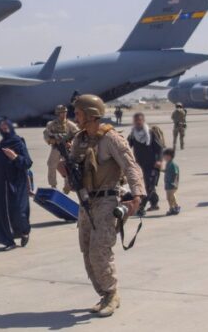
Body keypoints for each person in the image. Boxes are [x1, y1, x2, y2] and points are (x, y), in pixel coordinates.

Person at [66, 94, 145, 318]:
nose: (76, 117)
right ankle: (104, 294)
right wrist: (67, 174)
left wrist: (137, 196)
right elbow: (75, 174)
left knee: (99, 250)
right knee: (87, 250)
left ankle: (112, 294)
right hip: (86, 201)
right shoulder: (80, 140)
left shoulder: (111, 139)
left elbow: (131, 166)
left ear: (91, 115)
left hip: (108, 200)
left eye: (79, 113)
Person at [0, 119, 33, 251]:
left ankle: (24, 232)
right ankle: (9, 241)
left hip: (17, 184)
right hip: (0, 185)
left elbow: (28, 162)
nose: (4, 128)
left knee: (18, 212)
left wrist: (15, 157)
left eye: (6, 125)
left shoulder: (18, 142)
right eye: (1, 126)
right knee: (2, 214)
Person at [127, 112, 165, 215]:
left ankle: (141, 207)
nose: (138, 122)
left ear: (143, 121)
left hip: (152, 165)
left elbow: (160, 148)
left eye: (139, 120)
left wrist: (159, 160)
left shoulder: (151, 133)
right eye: (136, 121)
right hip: (139, 166)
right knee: (145, 186)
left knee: (148, 186)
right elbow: (126, 147)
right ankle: (154, 203)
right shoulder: (132, 135)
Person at [42, 105, 79, 190]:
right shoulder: (52, 124)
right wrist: (51, 141)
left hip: (66, 148)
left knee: (68, 165)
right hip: (56, 147)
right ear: (57, 114)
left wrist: (71, 142)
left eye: (65, 112)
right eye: (61, 113)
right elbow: (46, 134)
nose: (64, 114)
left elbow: (77, 133)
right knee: (51, 164)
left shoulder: (70, 124)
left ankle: (68, 183)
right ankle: (53, 185)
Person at [163, 148, 180, 216]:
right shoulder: (168, 164)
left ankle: (176, 206)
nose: (164, 157)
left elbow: (176, 174)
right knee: (168, 197)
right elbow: (166, 171)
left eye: (165, 156)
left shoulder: (173, 164)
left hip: (172, 184)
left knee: (172, 196)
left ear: (169, 156)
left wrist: (175, 182)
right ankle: (171, 208)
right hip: (167, 184)